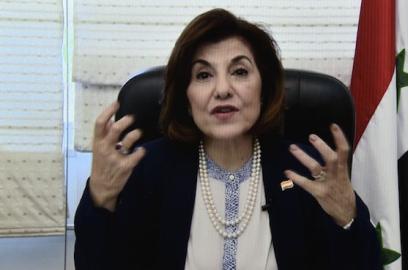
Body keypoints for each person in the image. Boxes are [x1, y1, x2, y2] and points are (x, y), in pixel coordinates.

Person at [74, 8, 381, 270]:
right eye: (204, 75)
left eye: (239, 72)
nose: (222, 89)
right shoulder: (147, 169)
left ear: (265, 88)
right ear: (186, 95)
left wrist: (347, 219)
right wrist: (100, 200)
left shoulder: (305, 172)